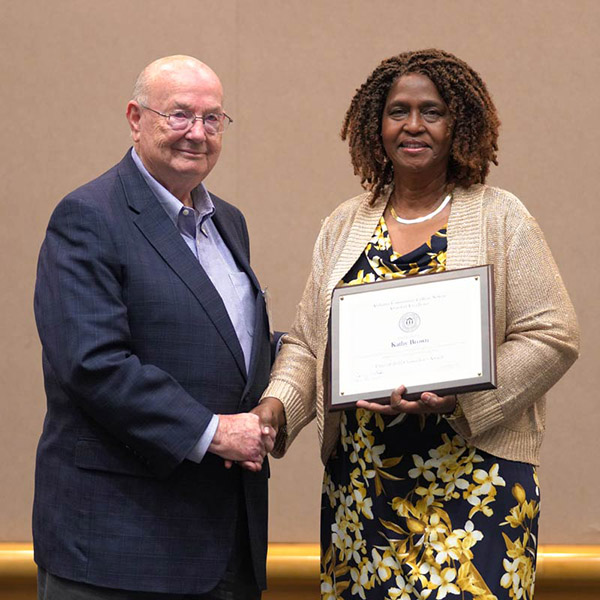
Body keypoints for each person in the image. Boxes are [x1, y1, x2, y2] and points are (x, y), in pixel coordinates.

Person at [260, 49, 580, 599]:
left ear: (459, 123)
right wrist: (276, 407)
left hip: (476, 488)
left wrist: (460, 396)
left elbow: (554, 333)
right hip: (363, 491)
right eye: (397, 111)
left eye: (431, 111)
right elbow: (310, 344)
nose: (412, 125)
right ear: (375, 124)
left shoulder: (500, 216)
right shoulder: (344, 224)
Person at [33, 55, 278, 599]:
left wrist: (326, 363)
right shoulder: (89, 217)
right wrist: (216, 432)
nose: (197, 133)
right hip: (118, 549)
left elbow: (231, 347)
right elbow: (94, 364)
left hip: (225, 544)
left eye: (213, 118)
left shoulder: (227, 222)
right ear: (134, 118)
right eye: (179, 115)